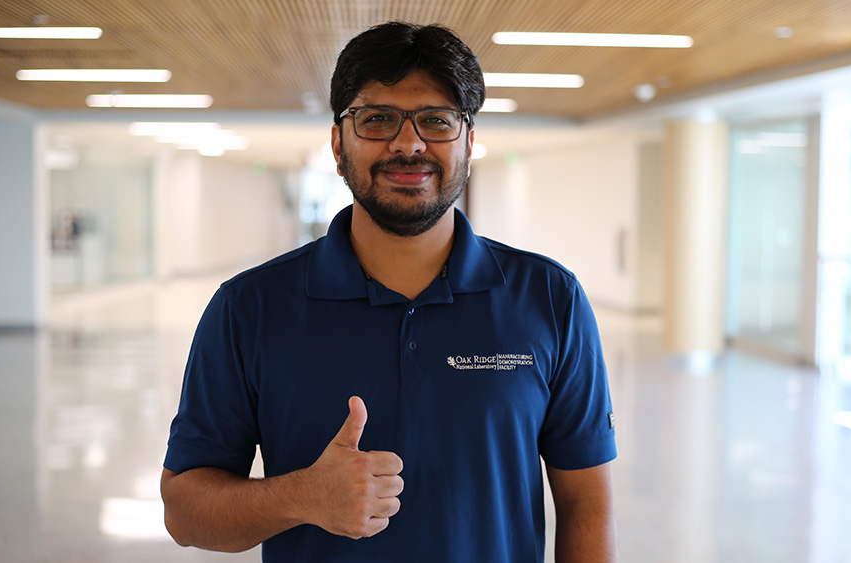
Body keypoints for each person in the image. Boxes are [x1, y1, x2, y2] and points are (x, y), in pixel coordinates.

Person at [161, 21, 618, 562]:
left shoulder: (550, 298)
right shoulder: (248, 309)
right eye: (376, 119)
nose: (409, 143)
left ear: (468, 142)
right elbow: (185, 512)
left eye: (437, 120)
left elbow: (586, 502)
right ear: (337, 143)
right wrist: (301, 497)